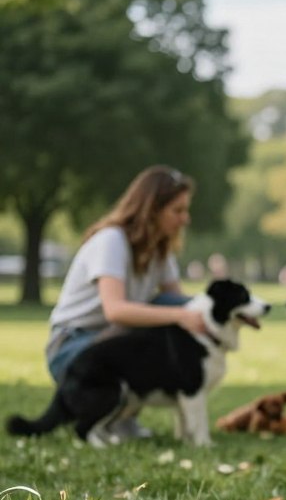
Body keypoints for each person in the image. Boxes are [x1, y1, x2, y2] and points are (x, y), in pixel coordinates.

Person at [44, 165, 206, 438]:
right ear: (151, 210)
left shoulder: (160, 250)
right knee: (167, 317)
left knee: (171, 308)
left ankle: (124, 412)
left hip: (108, 344)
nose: (185, 219)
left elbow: (178, 302)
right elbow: (115, 310)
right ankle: (108, 412)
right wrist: (179, 315)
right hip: (72, 347)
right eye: (177, 211)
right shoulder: (111, 241)